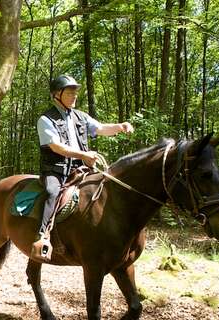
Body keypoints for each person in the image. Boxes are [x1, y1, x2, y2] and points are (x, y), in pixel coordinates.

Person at [32, 75, 134, 261]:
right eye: (69, 92)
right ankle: (42, 236)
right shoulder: (45, 119)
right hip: (55, 170)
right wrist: (83, 155)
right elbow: (57, 147)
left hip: (80, 170)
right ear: (56, 95)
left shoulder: (81, 116)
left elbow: (101, 128)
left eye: (75, 93)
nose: (74, 96)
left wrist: (120, 126)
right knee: (51, 192)